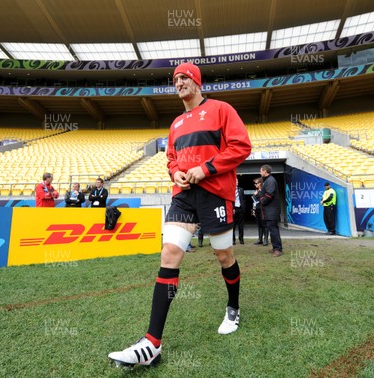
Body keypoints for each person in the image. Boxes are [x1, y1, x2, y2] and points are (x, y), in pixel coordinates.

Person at [108, 62, 252, 367]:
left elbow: (242, 146)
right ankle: (152, 343)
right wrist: (176, 173)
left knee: (224, 256)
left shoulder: (221, 110)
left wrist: (206, 168)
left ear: (197, 82)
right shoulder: (175, 124)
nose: (179, 82)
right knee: (170, 254)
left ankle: (233, 307)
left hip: (216, 193)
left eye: (185, 77)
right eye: (175, 79)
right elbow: (171, 159)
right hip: (184, 197)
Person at [259, 165, 282, 257]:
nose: (260, 173)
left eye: (261, 171)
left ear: (265, 171)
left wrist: (262, 201)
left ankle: (278, 249)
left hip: (272, 210)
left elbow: (269, 194)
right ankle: (275, 247)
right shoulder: (268, 180)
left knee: (273, 230)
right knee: (272, 229)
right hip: (269, 210)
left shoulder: (270, 180)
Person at [251, 177, 268, 246]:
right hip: (257, 209)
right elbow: (254, 202)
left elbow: (260, 200)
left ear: (260, 183)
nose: (255, 184)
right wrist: (253, 210)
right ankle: (260, 239)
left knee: (264, 225)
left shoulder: (263, 191)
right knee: (259, 225)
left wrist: (254, 195)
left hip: (262, 210)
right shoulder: (257, 191)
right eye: (254, 183)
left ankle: (265, 239)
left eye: (256, 183)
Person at [232, 177, 245, 245]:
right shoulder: (230, 189)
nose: (236, 182)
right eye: (235, 181)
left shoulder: (241, 189)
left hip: (240, 209)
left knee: (241, 225)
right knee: (233, 225)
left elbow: (243, 199)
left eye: (237, 181)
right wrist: (232, 209)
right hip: (234, 209)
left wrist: (243, 208)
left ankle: (241, 239)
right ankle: (233, 240)